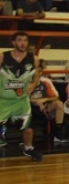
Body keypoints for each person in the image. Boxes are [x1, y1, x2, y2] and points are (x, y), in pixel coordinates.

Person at [1, 31, 43, 160]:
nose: (23, 43)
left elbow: (37, 74)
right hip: (3, 99)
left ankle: (28, 148)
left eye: (25, 40)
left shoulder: (33, 58)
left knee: (28, 129)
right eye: (19, 40)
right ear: (13, 42)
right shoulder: (3, 56)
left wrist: (34, 84)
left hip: (21, 100)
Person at [29, 60, 68, 143]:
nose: (37, 74)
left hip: (44, 107)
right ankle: (26, 137)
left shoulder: (46, 81)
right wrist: (36, 101)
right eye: (35, 72)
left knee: (59, 104)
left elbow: (56, 97)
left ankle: (58, 134)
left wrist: (44, 100)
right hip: (29, 107)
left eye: (39, 72)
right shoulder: (25, 82)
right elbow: (20, 99)